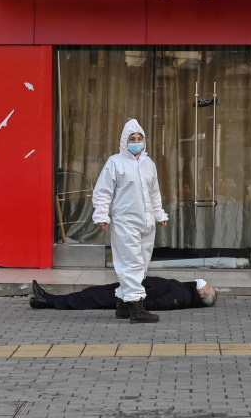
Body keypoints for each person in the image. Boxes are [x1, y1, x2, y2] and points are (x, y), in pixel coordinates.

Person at [92, 119, 168, 324]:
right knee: (131, 263)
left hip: (147, 222)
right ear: (124, 142)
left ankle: (123, 304)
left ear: (145, 141)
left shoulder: (148, 163)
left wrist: (159, 214)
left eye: (139, 138)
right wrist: (101, 215)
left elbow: (154, 192)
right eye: (132, 139)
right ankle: (136, 308)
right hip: (125, 221)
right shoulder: (115, 162)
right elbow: (103, 191)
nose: (136, 142)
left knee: (141, 263)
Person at [29, 277, 217, 311]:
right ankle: (48, 299)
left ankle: (48, 301)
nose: (206, 284)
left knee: (89, 298)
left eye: (208, 287)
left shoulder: (182, 297)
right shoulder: (186, 290)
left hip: (130, 294)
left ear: (202, 295)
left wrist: (133, 302)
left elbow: (160, 303)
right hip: (131, 287)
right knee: (91, 294)